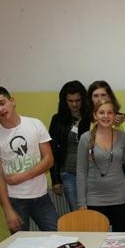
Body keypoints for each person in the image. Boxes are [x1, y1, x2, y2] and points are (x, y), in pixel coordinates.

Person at [0, 86, 57, 232]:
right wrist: (7, 209)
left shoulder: (35, 124)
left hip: (41, 196)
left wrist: (20, 177)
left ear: (12, 101)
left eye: (2, 103)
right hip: (15, 200)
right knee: (20, 242)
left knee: (56, 236)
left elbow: (49, 160)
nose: (0, 109)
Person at [76, 98, 125, 231]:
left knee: (122, 238)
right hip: (94, 198)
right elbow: (81, 172)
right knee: (97, 239)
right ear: (95, 115)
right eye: (101, 112)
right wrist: (81, 202)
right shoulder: (85, 138)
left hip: (120, 197)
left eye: (110, 112)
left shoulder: (123, 137)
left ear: (114, 115)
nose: (106, 116)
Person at [49, 80, 88, 211]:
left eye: (78, 100)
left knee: (95, 215)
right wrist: (55, 180)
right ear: (64, 101)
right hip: (68, 174)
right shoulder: (57, 120)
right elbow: (53, 150)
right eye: (70, 101)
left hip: (90, 174)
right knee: (77, 214)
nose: (74, 104)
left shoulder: (92, 118)